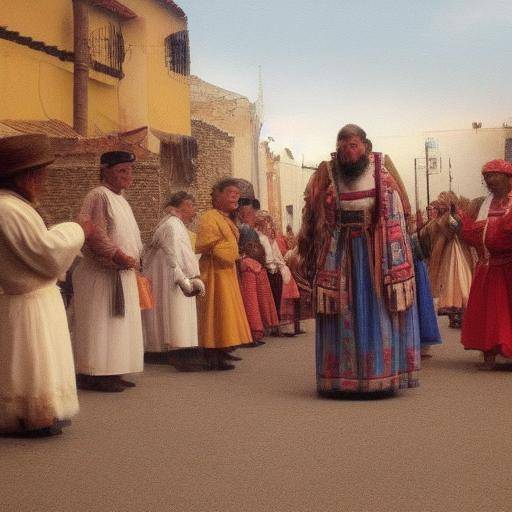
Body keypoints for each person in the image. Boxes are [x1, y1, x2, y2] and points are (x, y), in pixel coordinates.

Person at [297, 124, 421, 397]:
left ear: (365, 146)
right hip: (338, 253)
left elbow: (397, 212)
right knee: (341, 315)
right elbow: (311, 217)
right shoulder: (326, 174)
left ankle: (381, 376)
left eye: (353, 145)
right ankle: (339, 380)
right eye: (342, 146)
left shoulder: (382, 171)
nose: (347, 151)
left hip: (374, 255)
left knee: (377, 310)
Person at [0, 134, 85, 437]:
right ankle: (29, 414)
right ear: (22, 175)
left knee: (40, 359)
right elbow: (45, 253)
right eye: (38, 173)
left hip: (36, 298)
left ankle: (41, 412)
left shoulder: (15, 205)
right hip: (27, 300)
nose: (42, 180)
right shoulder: (8, 208)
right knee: (32, 361)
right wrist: (77, 229)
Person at [72, 151, 144, 392]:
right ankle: (94, 373)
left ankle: (113, 371)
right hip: (101, 274)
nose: (128, 175)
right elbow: (95, 232)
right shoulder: (98, 195)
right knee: (100, 324)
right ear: (105, 171)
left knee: (119, 325)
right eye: (122, 170)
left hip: (121, 273)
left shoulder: (121, 199)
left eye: (130, 170)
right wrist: (117, 255)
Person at [142, 192, 206, 371]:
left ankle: (177, 349)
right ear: (181, 207)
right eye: (192, 206)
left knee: (177, 312)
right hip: (169, 276)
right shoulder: (171, 225)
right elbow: (172, 257)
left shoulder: (175, 224)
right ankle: (176, 351)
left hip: (173, 274)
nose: (194, 211)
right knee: (174, 312)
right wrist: (184, 280)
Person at [458, 159, 512, 369]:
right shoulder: (481, 203)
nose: (489, 180)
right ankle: (489, 353)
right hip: (489, 266)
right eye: (487, 176)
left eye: (494, 175)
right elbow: (472, 232)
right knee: (490, 313)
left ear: (508, 178)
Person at [196, 178, 252, 369]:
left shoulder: (226, 218)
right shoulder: (209, 217)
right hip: (214, 271)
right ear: (217, 195)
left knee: (227, 311)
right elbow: (205, 243)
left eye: (237, 194)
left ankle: (223, 349)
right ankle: (212, 353)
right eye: (230, 193)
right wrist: (228, 250)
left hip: (226, 271)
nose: (235, 197)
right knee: (216, 311)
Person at [418, 193, 474, 328]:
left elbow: (453, 233)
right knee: (448, 281)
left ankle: (459, 313)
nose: (440, 206)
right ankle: (453, 313)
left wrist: (443, 222)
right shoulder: (438, 219)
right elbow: (426, 234)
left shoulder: (454, 217)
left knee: (458, 280)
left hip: (457, 251)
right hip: (445, 253)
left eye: (442, 203)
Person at [237, 200, 279, 342]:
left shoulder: (246, 229)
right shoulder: (248, 230)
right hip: (253, 268)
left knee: (253, 301)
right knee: (252, 301)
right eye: (249, 213)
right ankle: (254, 332)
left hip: (252, 268)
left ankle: (255, 331)